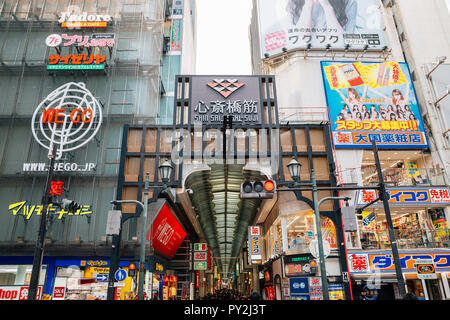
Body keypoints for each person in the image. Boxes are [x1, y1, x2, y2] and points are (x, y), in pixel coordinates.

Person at [286, 0, 358, 36]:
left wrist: (327, 7)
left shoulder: (349, 2)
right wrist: (308, 5)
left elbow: (345, 44)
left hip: (335, 61)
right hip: (303, 61)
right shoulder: (293, 3)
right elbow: (300, 42)